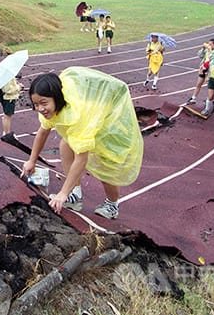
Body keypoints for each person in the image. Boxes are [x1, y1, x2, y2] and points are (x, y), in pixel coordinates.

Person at [21, 67, 143, 219]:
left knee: (105, 168)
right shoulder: (52, 106)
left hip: (107, 126)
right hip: (90, 114)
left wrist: (62, 194)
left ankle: (112, 205)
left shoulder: (77, 118)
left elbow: (81, 159)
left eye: (43, 103)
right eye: (36, 104)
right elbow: (43, 131)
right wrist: (31, 161)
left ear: (57, 98)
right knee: (65, 145)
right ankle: (75, 196)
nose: (40, 108)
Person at [186, 41, 214, 105]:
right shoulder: (206, 51)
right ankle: (193, 98)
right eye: (208, 44)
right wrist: (203, 49)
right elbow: (200, 55)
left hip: (210, 71)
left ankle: (209, 101)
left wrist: (211, 52)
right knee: (198, 84)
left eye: (210, 44)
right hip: (203, 69)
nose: (209, 45)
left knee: (209, 87)